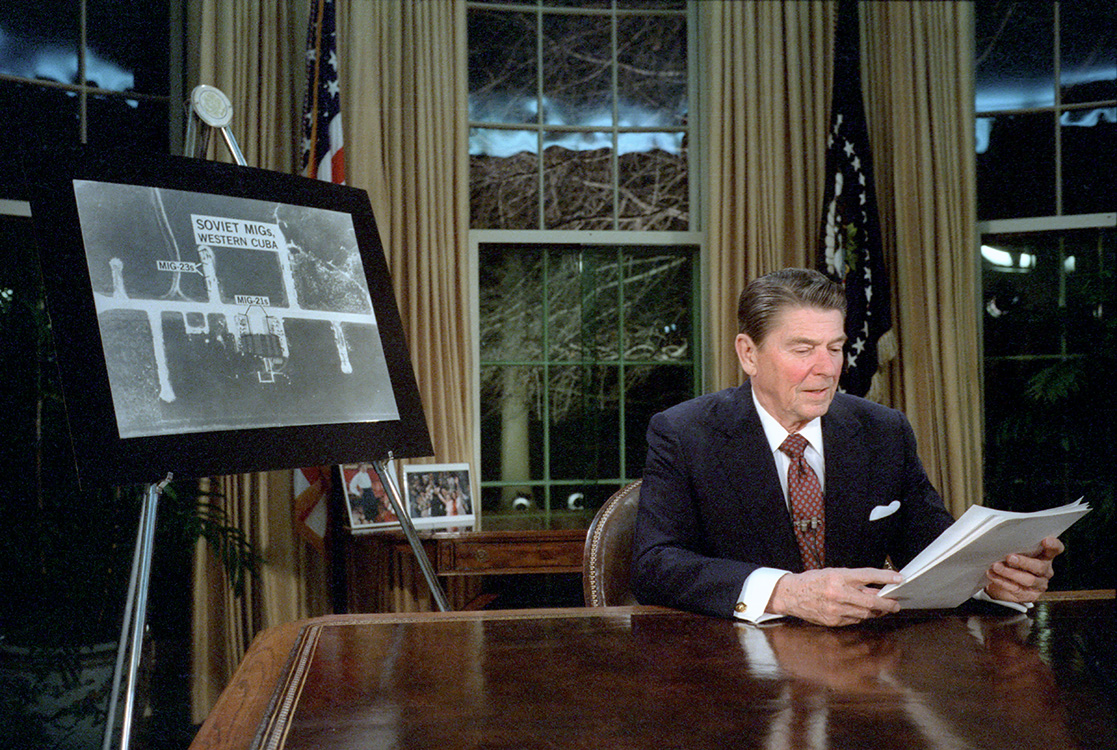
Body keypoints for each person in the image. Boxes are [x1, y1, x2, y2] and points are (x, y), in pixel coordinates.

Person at [630, 268, 1062, 626]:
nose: (826, 369)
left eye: (835, 348)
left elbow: (934, 552)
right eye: (803, 350)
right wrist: (785, 592)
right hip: (734, 666)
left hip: (863, 664)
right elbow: (654, 565)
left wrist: (990, 578)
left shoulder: (882, 430)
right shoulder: (684, 433)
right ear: (749, 354)